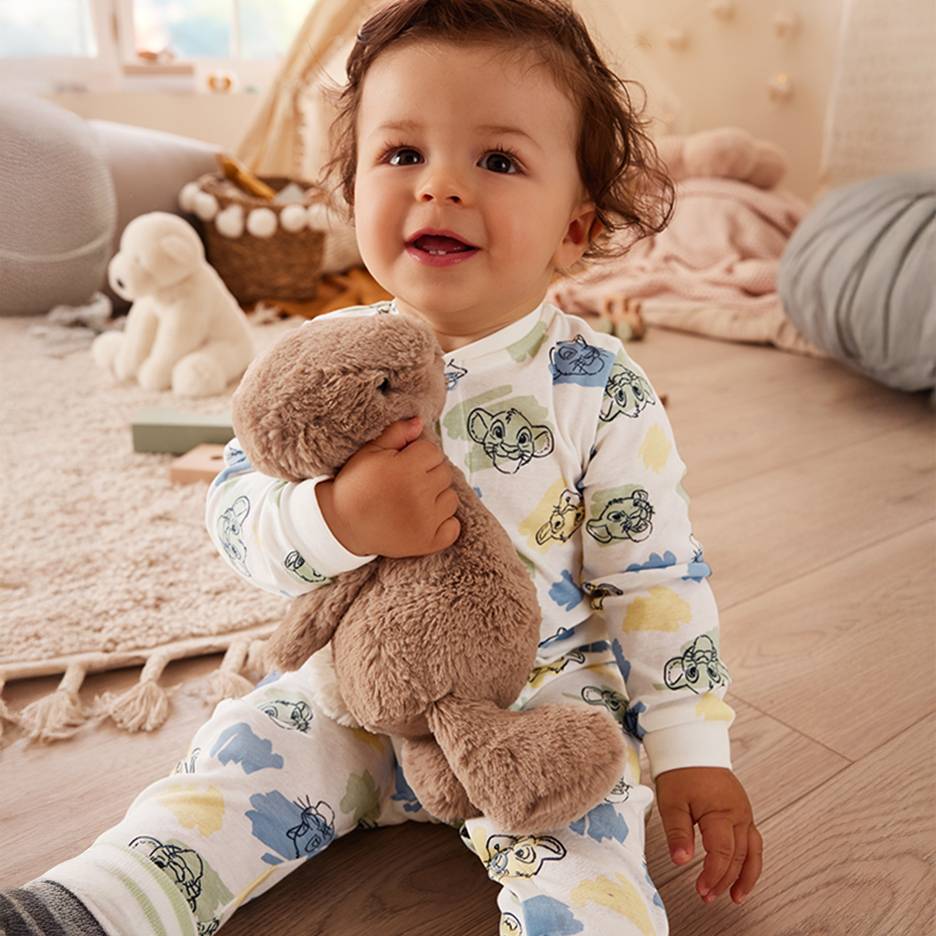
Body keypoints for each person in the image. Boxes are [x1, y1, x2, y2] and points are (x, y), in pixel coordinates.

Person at [1, 1, 762, 933]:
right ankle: (95, 905)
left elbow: (657, 579)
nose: (439, 186)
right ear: (352, 192)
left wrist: (692, 746)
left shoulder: (599, 387)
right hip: (354, 690)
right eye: (402, 155)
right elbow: (236, 510)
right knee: (238, 765)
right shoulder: (320, 359)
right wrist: (336, 520)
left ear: (574, 228)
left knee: (590, 859)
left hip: (540, 706)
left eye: (498, 160)